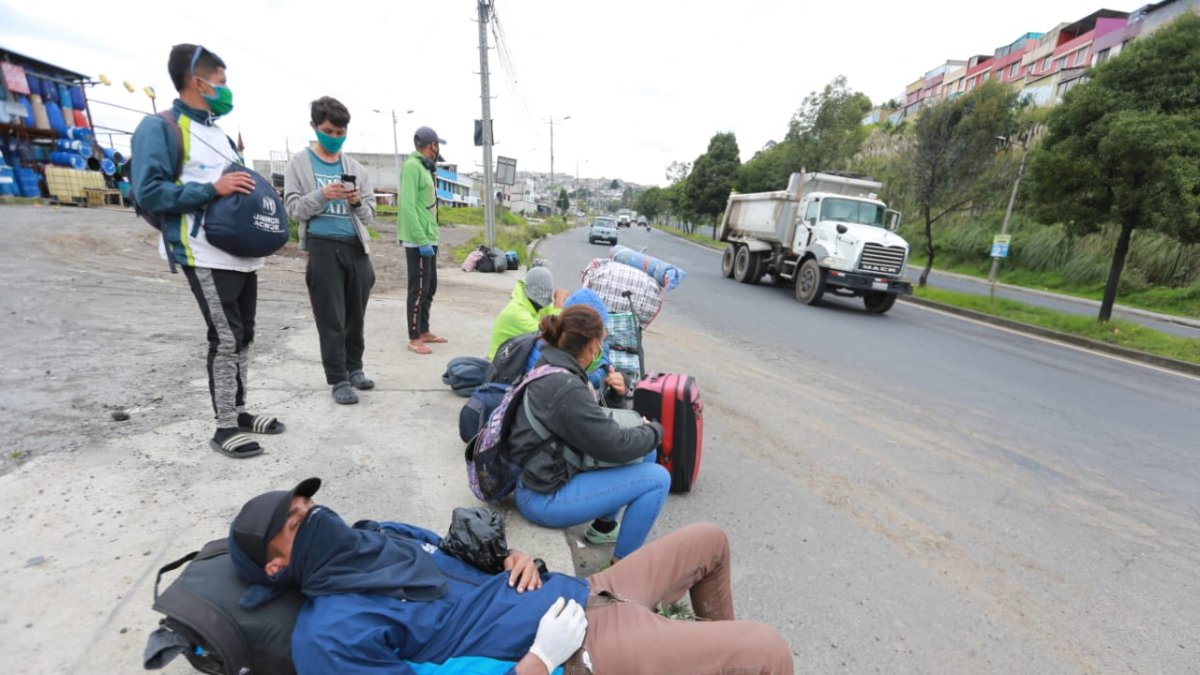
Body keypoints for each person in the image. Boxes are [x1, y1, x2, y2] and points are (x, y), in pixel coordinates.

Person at [228, 478, 793, 674]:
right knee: (765, 652)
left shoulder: (377, 537)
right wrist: (539, 662)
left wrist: (514, 560)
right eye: (297, 523)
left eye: (309, 506)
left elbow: (457, 552)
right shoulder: (329, 635)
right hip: (576, 649)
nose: (316, 517)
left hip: (581, 593)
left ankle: (696, 658)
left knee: (710, 539)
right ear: (276, 566)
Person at [131, 43, 284, 459]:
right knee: (226, 336)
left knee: (245, 335)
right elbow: (146, 190)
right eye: (221, 80)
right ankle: (223, 426)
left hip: (240, 252)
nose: (226, 88)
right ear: (197, 80)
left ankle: (239, 409)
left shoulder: (219, 134)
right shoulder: (160, 127)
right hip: (202, 251)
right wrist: (211, 190)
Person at [508, 306, 666, 561]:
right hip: (543, 498)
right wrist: (656, 430)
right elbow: (613, 444)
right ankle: (621, 575)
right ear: (593, 345)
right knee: (657, 478)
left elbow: (595, 425)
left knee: (647, 453)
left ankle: (603, 527)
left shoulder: (552, 364)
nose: (603, 350)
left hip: (543, 474)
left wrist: (616, 395)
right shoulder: (565, 386)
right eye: (603, 342)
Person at [284, 96, 377, 405]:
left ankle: (355, 368)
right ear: (314, 127)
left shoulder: (356, 169)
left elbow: (370, 216)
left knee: (356, 315)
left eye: (340, 133)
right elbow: (294, 209)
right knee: (331, 317)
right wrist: (322, 195)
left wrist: (355, 202)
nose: (334, 137)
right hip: (323, 248)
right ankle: (337, 378)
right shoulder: (299, 163)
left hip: (355, 247)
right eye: (328, 131)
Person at [397, 126, 447, 356]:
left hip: (429, 238)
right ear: (431, 145)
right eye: (437, 146)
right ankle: (414, 337)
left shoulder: (426, 168)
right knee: (417, 290)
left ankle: (424, 330)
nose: (438, 151)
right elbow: (407, 207)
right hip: (418, 241)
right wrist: (421, 239)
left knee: (429, 287)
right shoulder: (412, 167)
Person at [486, 267, 567, 360]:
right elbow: (550, 336)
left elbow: (554, 321)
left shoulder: (535, 304)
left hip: (514, 359)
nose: (544, 305)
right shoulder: (515, 312)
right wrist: (559, 305)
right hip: (500, 366)